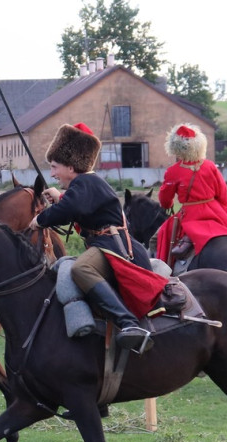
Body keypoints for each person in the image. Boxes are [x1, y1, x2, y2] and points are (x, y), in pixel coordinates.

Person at [29, 123, 164, 354]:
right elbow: (78, 204)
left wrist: (39, 221)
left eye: (54, 167)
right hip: (108, 244)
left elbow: (68, 209)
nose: (52, 174)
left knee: (80, 269)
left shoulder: (85, 183)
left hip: (114, 246)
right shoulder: (86, 184)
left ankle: (128, 323)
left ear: (71, 167)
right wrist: (60, 196)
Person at [156, 123, 227, 263]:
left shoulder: (173, 171)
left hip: (190, 213)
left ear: (176, 148)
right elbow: (223, 194)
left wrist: (168, 205)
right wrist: (224, 212)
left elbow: (165, 199)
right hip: (215, 210)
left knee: (163, 234)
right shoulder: (210, 166)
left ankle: (167, 270)